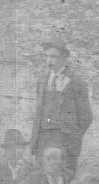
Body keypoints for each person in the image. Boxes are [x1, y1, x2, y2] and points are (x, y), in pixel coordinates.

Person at [30, 41, 92, 175]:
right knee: (41, 179)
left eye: (54, 57)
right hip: (43, 139)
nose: (49, 60)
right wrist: (34, 142)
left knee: (64, 178)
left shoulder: (76, 82)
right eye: (47, 56)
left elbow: (86, 117)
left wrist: (73, 138)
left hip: (65, 140)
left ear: (64, 58)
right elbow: (38, 113)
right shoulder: (42, 80)